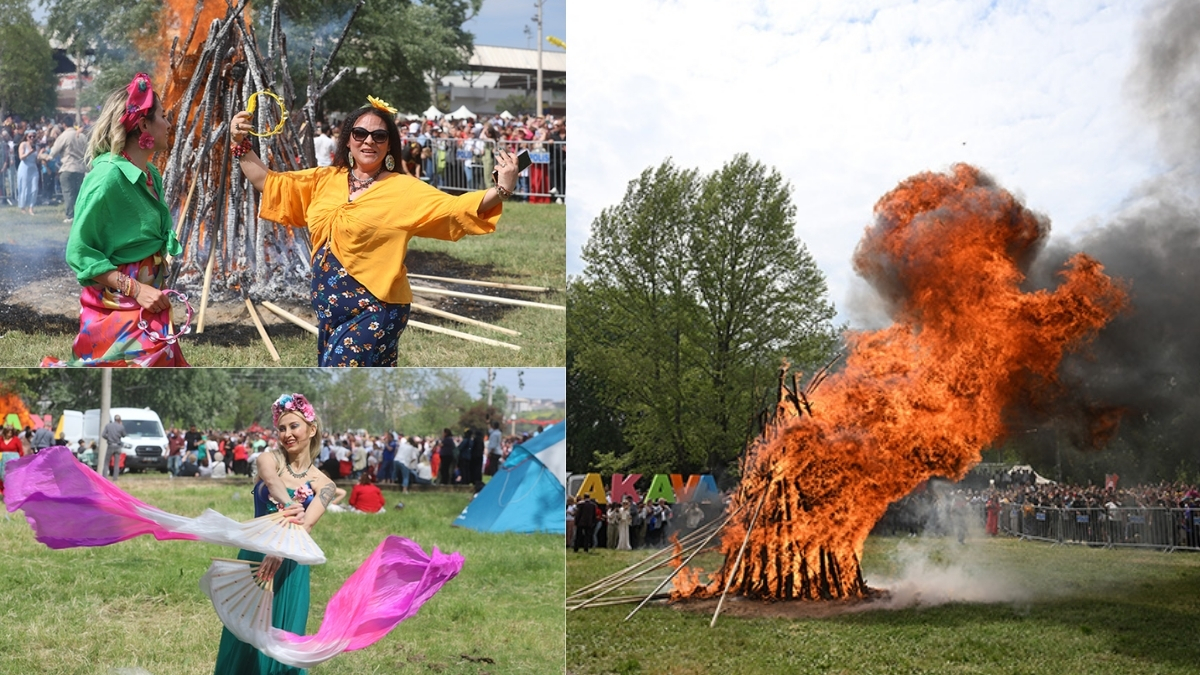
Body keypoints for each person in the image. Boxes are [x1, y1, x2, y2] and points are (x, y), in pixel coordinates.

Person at [227, 97, 522, 366]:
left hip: (377, 309)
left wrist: (501, 189)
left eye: (379, 136)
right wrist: (240, 143)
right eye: (360, 134)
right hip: (331, 313)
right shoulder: (323, 179)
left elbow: (455, 209)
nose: (369, 141)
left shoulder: (403, 189)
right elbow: (268, 182)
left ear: (389, 144)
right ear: (348, 140)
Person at [52, 73, 185, 367]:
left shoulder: (151, 175)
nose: (168, 124)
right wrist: (137, 289)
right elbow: (80, 251)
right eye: (162, 116)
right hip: (117, 304)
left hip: (148, 302)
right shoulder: (108, 178)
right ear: (143, 125)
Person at [214, 393, 336, 674]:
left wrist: (279, 551)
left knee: (283, 638)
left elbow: (307, 526)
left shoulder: (325, 484)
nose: (287, 434)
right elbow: (271, 482)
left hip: (289, 563)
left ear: (311, 428)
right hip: (255, 555)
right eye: (281, 428)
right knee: (244, 634)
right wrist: (291, 505)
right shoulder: (268, 459)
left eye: (294, 426)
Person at [48, 115, 89, 222]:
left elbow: (53, 152)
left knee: (68, 193)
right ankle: (81, 215)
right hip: (80, 169)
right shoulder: (82, 136)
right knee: (79, 194)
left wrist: (45, 156)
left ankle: (70, 216)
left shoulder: (63, 136)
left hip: (68, 167)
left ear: (64, 124)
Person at [16, 129, 38, 215]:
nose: (32, 138)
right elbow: (21, 157)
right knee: (24, 187)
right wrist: (30, 152)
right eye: (30, 136)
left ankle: (31, 207)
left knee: (34, 188)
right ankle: (22, 207)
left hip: (33, 168)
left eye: (33, 136)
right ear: (26, 137)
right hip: (24, 167)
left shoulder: (36, 146)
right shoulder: (23, 144)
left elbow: (36, 159)